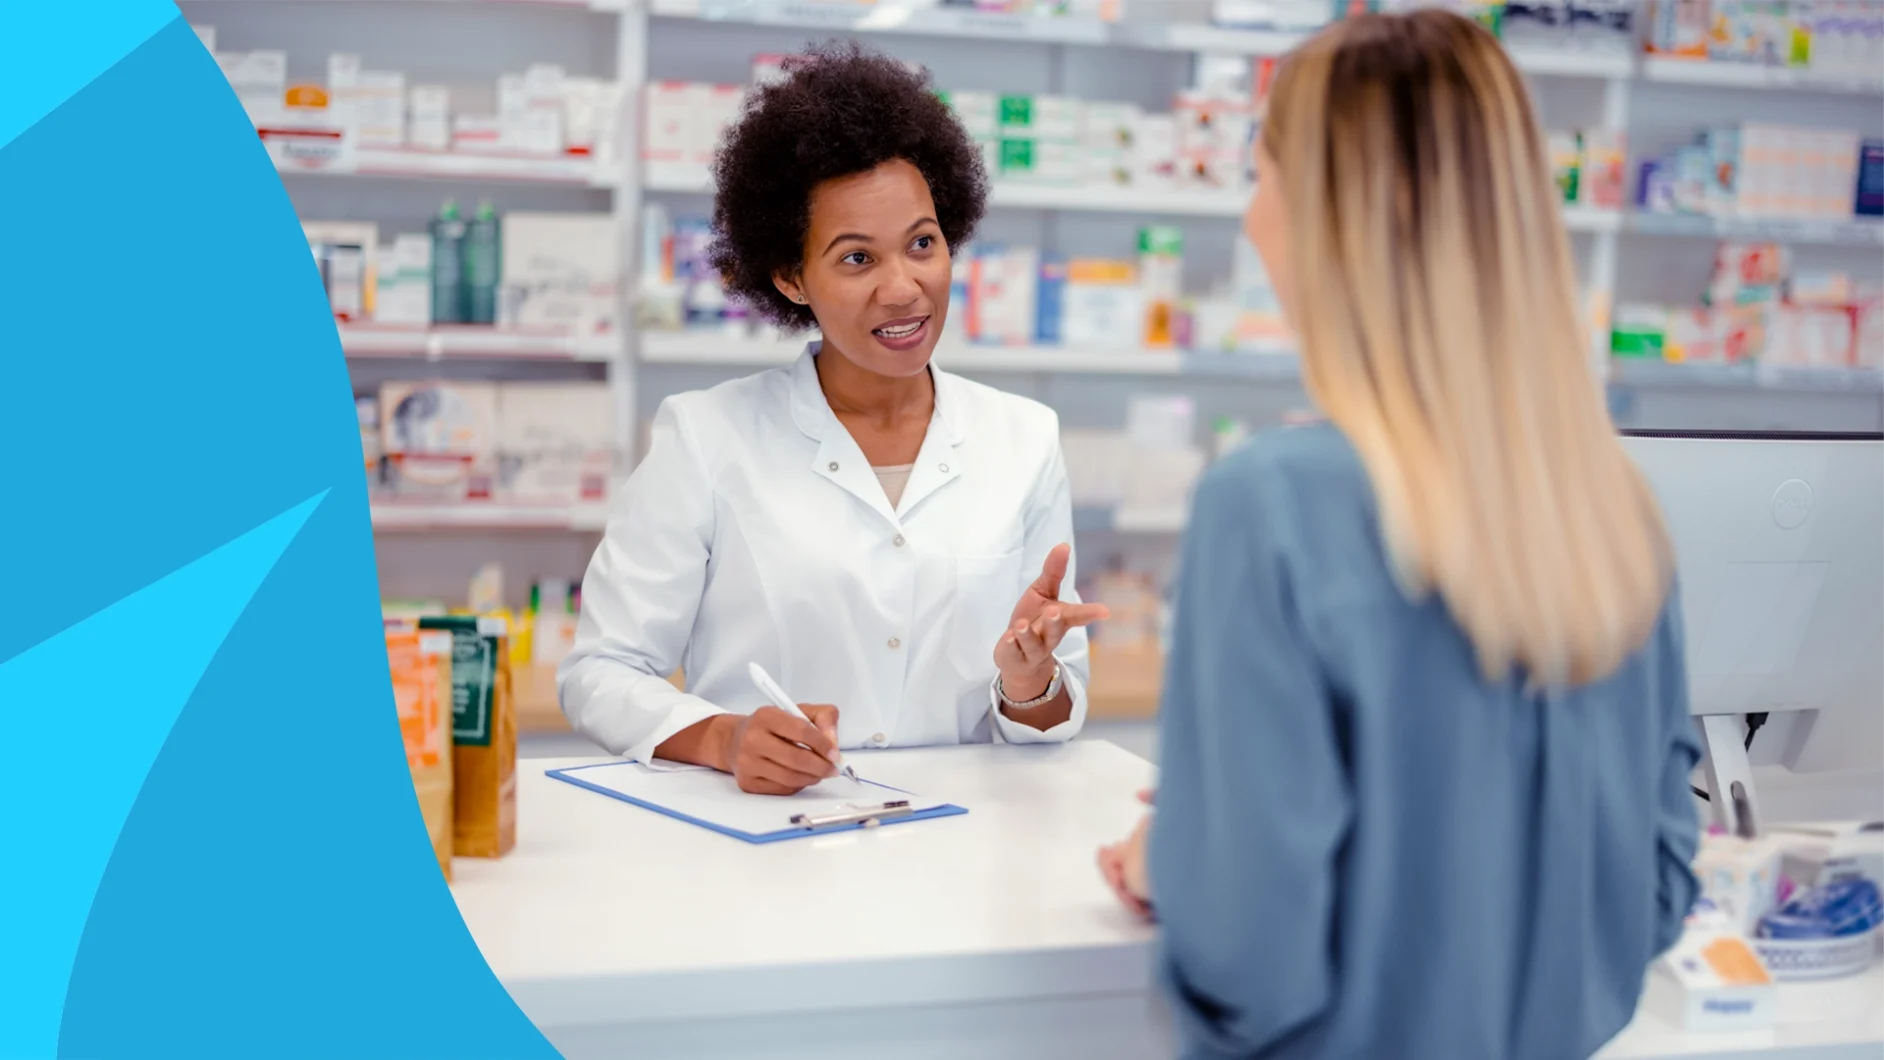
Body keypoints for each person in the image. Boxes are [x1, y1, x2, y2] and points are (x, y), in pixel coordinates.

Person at [1097, 10, 1702, 1059]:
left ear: (1328, 215)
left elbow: (1247, 956)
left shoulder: (1271, 504)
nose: (1252, 216)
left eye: (1263, 175)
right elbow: (1653, 892)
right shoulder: (1612, 508)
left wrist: (1183, 857)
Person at [560, 43, 1105, 794]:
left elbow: (1052, 713)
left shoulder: (1024, 438)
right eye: (857, 259)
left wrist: (1029, 683)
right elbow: (600, 670)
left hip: (963, 838)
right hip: (767, 836)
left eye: (922, 244)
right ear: (791, 277)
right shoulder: (707, 437)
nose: (903, 287)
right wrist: (723, 737)